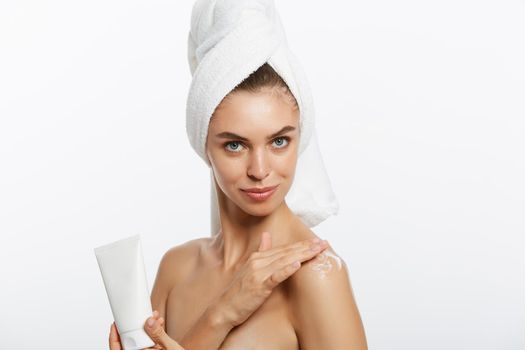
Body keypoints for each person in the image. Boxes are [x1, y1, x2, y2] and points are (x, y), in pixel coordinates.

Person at [108, 63, 368, 349]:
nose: (259, 170)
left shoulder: (316, 275)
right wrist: (221, 314)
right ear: (204, 145)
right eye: (235, 145)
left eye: (279, 141)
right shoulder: (177, 268)